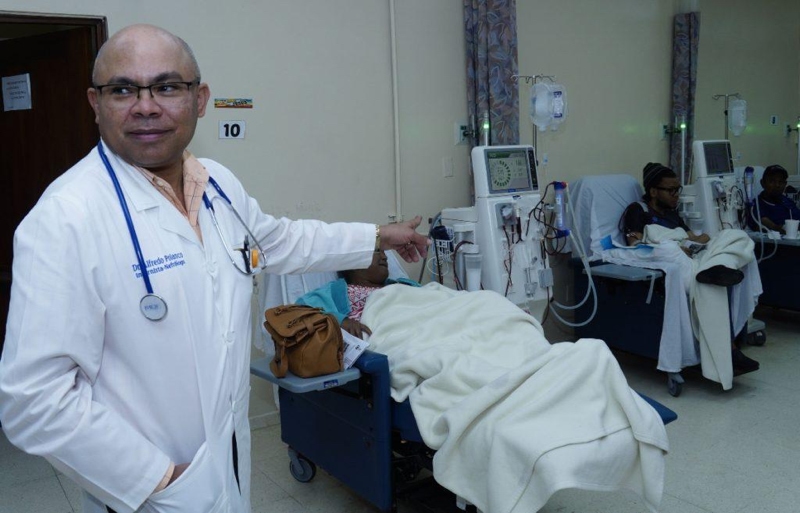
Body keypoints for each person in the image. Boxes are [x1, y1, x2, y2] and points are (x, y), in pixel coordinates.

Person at [0, 24, 428, 513]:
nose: (145, 106)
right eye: (122, 90)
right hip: (148, 489)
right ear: (95, 104)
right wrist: (161, 480)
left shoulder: (218, 184)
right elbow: (34, 400)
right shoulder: (64, 218)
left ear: (199, 99)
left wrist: (377, 237)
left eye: (166, 87)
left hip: (228, 457)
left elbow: (278, 240)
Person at [619, 162, 760, 376]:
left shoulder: (672, 214)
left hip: (692, 254)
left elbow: (695, 237)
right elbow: (635, 245)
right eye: (671, 190)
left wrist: (693, 242)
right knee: (708, 285)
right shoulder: (638, 210)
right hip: (674, 260)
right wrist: (675, 246)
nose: (677, 195)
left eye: (678, 189)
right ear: (653, 191)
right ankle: (729, 351)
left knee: (738, 236)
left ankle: (717, 268)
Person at [295, 249, 419, 339]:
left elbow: (428, 301)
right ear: (354, 262)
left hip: (418, 326)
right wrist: (339, 320)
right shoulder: (335, 292)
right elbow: (300, 311)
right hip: (392, 339)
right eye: (376, 251)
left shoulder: (403, 285)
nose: (384, 257)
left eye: (384, 252)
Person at [748, 164, 800, 234]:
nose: (777, 185)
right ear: (762, 183)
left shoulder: (788, 203)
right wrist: (780, 229)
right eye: (772, 181)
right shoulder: (756, 205)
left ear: (785, 184)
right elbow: (764, 224)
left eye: (780, 182)